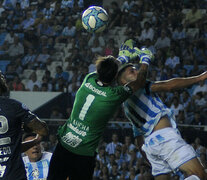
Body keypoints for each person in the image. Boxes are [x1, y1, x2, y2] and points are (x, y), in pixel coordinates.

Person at [47, 40, 154, 180]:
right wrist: (145, 60)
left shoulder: (89, 79)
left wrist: (122, 58)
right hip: (84, 153)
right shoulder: (114, 95)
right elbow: (138, 83)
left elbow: (105, 72)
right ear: (115, 76)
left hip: (64, 145)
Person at [117, 61, 207, 179]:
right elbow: (169, 86)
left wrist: (150, 160)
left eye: (136, 69)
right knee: (199, 175)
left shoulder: (127, 106)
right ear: (123, 82)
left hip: (151, 145)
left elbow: (139, 141)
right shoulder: (138, 87)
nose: (137, 72)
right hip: (164, 138)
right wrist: (200, 78)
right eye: (132, 71)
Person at [0, 71, 48, 179]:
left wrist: (34, 142)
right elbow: (42, 130)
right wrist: (35, 138)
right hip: (13, 174)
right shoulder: (14, 106)